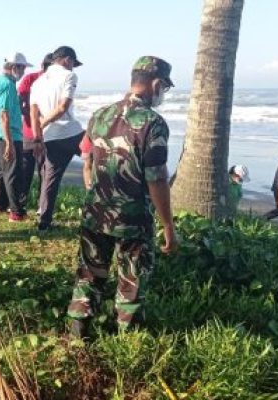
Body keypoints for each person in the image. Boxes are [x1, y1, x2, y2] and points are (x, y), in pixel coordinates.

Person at [66, 56, 178, 339]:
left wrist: (95, 193)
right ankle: (128, 340)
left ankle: (79, 333)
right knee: (132, 279)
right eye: (164, 87)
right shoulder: (153, 124)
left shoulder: (100, 115)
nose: (163, 93)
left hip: (96, 212)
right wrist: (168, 225)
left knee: (90, 272)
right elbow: (156, 178)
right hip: (133, 219)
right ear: (156, 84)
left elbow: (87, 160)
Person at [30, 46, 86, 231]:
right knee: (100, 160)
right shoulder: (69, 76)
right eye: (73, 63)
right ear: (67, 59)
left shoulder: (37, 83)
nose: (73, 67)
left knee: (50, 180)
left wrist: (38, 137)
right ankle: (101, 213)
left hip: (50, 137)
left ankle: (44, 222)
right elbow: (63, 107)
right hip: (70, 133)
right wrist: (45, 122)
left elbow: (33, 113)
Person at [0, 52, 31, 222]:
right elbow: (4, 114)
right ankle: (16, 212)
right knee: (13, 172)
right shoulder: (7, 84)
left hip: (1, 133)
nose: (23, 71)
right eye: (22, 68)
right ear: (14, 67)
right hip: (9, 134)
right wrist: (9, 142)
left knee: (2, 171)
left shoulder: (2, 82)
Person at [18, 53, 53, 206]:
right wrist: (34, 116)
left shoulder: (56, 82)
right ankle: (19, 204)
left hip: (48, 133)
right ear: (44, 66)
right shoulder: (30, 79)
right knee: (25, 170)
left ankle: (41, 205)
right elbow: (20, 103)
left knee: (44, 172)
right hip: (29, 133)